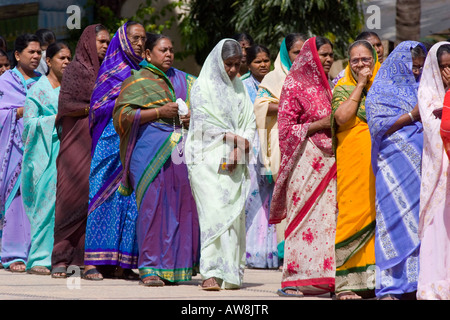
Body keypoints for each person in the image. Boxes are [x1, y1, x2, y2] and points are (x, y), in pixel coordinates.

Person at [113, 33, 200, 286]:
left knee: (180, 206)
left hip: (180, 152)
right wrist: (159, 112)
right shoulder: (137, 80)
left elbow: (205, 111)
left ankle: (175, 268)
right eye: (163, 50)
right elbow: (123, 115)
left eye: (171, 49)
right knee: (152, 208)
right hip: (148, 151)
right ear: (148, 54)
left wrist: (191, 116)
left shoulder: (186, 80)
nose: (169, 54)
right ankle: (149, 268)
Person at [185, 39, 256, 290]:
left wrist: (242, 145)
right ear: (218, 62)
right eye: (228, 64)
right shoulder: (202, 87)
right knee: (214, 214)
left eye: (237, 65)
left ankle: (230, 273)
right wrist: (235, 139)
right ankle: (210, 272)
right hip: (207, 160)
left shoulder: (239, 88)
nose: (233, 70)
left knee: (232, 216)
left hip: (234, 160)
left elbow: (250, 120)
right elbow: (203, 126)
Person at [269, 36, 337, 298]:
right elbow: (285, 130)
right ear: (311, 55)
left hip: (329, 163)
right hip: (304, 161)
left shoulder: (331, 86)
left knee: (327, 221)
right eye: (323, 54)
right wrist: (319, 125)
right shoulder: (294, 83)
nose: (329, 59)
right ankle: (295, 280)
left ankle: (324, 279)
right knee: (301, 219)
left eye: (331, 54)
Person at [366, 41, 427, 300]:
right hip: (391, 167)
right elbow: (377, 125)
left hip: (420, 171)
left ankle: (414, 284)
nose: (416, 72)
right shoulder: (381, 90)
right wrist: (413, 116)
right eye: (412, 67)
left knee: (419, 225)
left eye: (420, 68)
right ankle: (390, 287)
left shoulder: (427, 87)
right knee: (391, 223)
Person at [83, 21, 145, 280]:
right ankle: (91, 263)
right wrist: (127, 100)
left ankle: (124, 263)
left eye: (143, 39)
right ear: (122, 40)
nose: (141, 43)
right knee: (101, 198)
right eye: (135, 38)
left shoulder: (144, 73)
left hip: (135, 144)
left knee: (130, 202)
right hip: (109, 144)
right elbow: (97, 109)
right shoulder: (110, 71)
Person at [51, 24, 110, 278]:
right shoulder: (76, 69)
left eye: (108, 42)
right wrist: (95, 108)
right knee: (70, 197)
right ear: (88, 42)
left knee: (93, 199)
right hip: (77, 140)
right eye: (101, 42)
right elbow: (67, 106)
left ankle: (87, 260)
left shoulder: (110, 71)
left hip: (101, 142)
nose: (106, 47)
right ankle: (60, 259)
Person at [330, 40, 381, 300]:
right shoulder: (344, 87)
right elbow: (342, 118)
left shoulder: (385, 85)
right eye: (355, 60)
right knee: (352, 215)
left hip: (381, 165)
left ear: (374, 57)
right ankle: (346, 284)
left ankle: (375, 281)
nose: (361, 64)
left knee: (380, 218)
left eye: (365, 59)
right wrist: (361, 84)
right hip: (353, 164)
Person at [253, 34, 307, 266]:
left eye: (304, 52)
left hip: (309, 143)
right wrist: (290, 105)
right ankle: (286, 252)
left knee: (306, 196)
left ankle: (306, 249)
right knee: (288, 196)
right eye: (296, 52)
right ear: (286, 54)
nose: (301, 57)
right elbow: (261, 105)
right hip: (282, 144)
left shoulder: (313, 75)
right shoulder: (274, 78)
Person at [21, 42, 71, 275]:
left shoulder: (73, 89)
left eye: (69, 58)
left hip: (70, 153)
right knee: (45, 205)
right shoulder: (37, 89)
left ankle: (62, 256)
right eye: (62, 58)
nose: (67, 62)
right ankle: (39, 258)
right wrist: (55, 120)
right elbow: (28, 125)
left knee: (67, 206)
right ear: (48, 61)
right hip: (45, 154)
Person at [0, 33, 42, 272]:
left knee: (38, 200)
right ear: (17, 55)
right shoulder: (5, 82)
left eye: (39, 53)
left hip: (40, 149)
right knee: (15, 200)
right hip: (13, 150)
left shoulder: (44, 82)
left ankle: (36, 253)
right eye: (31, 52)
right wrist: (17, 113)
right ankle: (13, 254)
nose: (36, 56)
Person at [417, 42, 450, 300]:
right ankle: (432, 284)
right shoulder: (426, 92)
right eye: (443, 66)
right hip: (438, 169)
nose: (447, 71)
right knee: (437, 223)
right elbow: (433, 129)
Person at [241, 44, 278, 269]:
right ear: (249, 64)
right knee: (250, 197)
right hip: (250, 147)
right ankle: (248, 252)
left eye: (266, 60)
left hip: (270, 146)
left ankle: (267, 253)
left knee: (268, 200)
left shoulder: (274, 83)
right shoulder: (243, 86)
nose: (263, 64)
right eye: (258, 61)